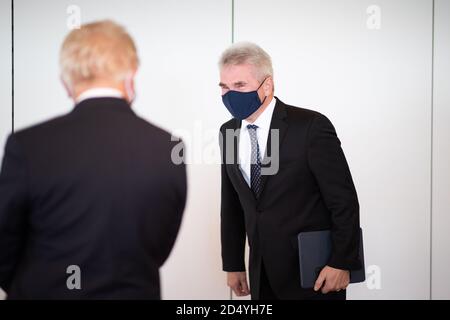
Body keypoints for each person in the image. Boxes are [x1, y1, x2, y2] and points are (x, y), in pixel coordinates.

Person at [0, 20, 186, 299]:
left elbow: (5, 245)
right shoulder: (169, 146)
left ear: (67, 81)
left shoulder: (27, 145)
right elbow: (158, 247)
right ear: (131, 75)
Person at [218, 42, 361, 300]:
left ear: (267, 85)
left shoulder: (311, 126)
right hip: (262, 275)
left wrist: (342, 261)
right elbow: (232, 204)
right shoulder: (227, 132)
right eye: (224, 87)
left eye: (239, 85)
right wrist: (233, 263)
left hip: (314, 275)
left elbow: (344, 201)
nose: (230, 94)